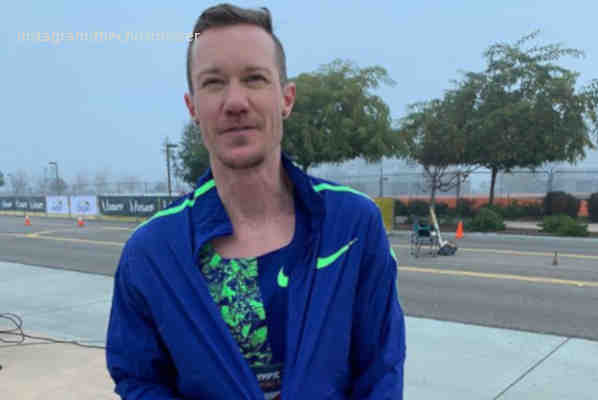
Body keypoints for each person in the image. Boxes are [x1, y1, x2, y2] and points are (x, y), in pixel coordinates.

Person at [105, 3, 406, 399]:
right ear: (193, 106)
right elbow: (138, 377)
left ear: (286, 98)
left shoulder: (352, 225)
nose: (235, 101)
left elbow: (381, 369)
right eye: (214, 82)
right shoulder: (150, 252)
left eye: (254, 79)